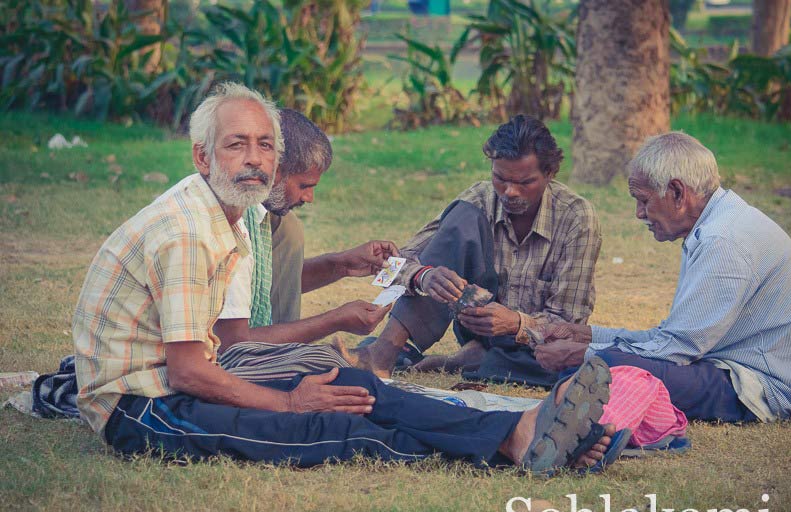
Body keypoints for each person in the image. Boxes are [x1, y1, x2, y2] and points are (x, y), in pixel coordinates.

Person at [71, 82, 613, 472]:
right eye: (237, 145)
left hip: (185, 381)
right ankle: (509, 442)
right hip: (144, 409)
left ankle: (517, 434)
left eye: (265, 145)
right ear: (202, 156)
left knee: (350, 387)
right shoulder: (189, 232)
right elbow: (190, 373)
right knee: (335, 424)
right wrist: (288, 402)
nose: (255, 160)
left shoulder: (225, 217)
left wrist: (345, 272)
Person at [532, 131, 791, 423]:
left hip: (761, 390)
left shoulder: (722, 241)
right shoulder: (716, 225)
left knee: (606, 365)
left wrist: (582, 353)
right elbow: (671, 337)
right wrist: (588, 334)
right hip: (728, 367)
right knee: (603, 362)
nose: (638, 213)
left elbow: (675, 349)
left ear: (678, 193)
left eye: (643, 200)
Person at [339, 115, 602, 387]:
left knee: (564, 364)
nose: (510, 192)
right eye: (500, 178)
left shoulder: (577, 217)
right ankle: (383, 352)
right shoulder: (478, 198)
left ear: (550, 174)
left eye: (524, 183)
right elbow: (391, 267)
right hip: (476, 326)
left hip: (533, 346)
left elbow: (569, 323)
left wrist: (515, 323)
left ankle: (472, 359)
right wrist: (423, 276)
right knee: (463, 218)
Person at [214, 108, 399, 352]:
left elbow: (273, 281)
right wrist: (334, 320)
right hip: (209, 360)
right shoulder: (229, 219)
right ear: (275, 170)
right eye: (304, 185)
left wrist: (341, 265)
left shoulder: (268, 219)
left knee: (289, 229)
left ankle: (281, 356)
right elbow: (232, 345)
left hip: (243, 353)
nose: (309, 197)